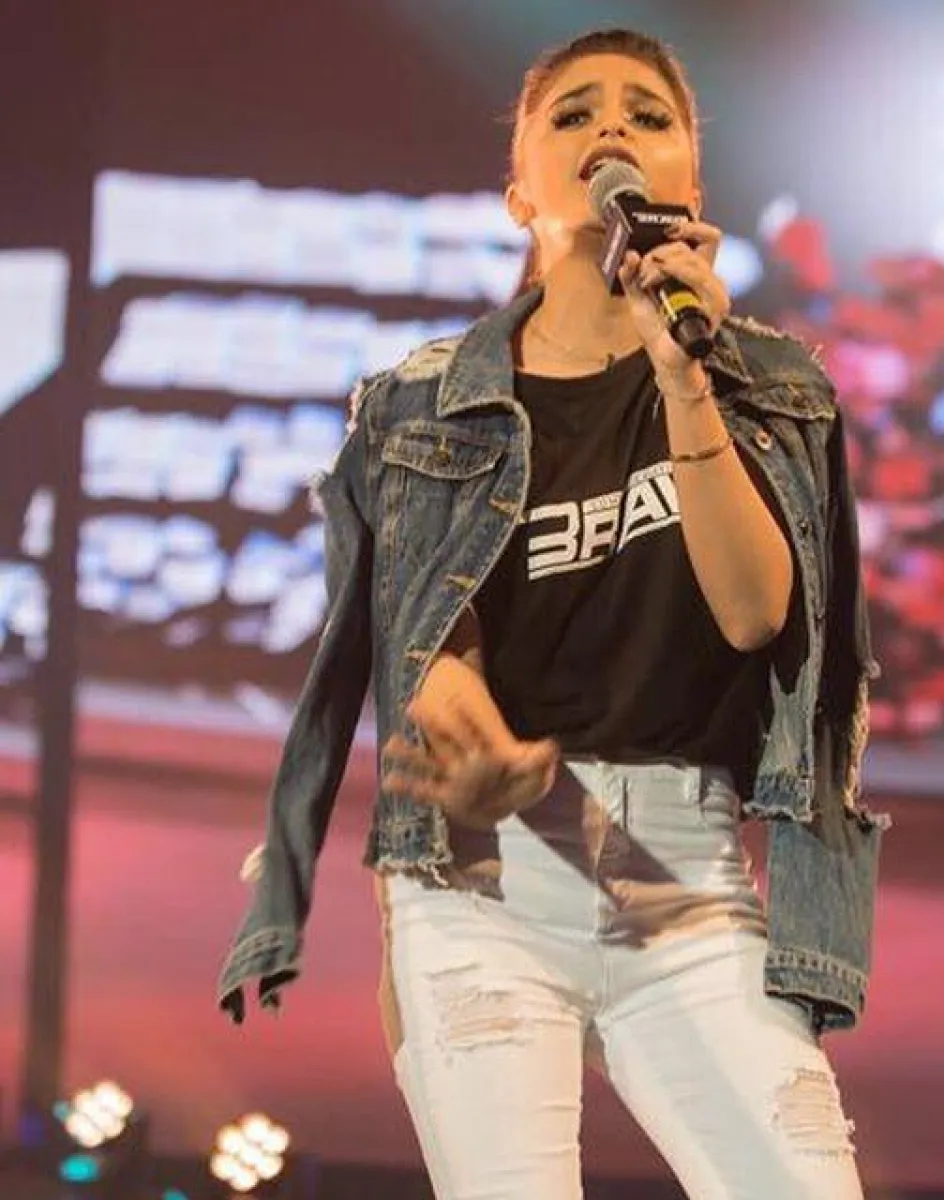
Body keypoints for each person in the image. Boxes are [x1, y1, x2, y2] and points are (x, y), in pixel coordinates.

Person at [218, 27, 887, 1200]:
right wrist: (468, 745)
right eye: (573, 114)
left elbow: (753, 616)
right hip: (483, 878)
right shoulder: (419, 407)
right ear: (519, 193)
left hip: (680, 877)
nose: (612, 128)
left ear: (687, 191)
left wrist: (685, 377)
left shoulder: (772, 385)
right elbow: (419, 645)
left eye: (648, 115)